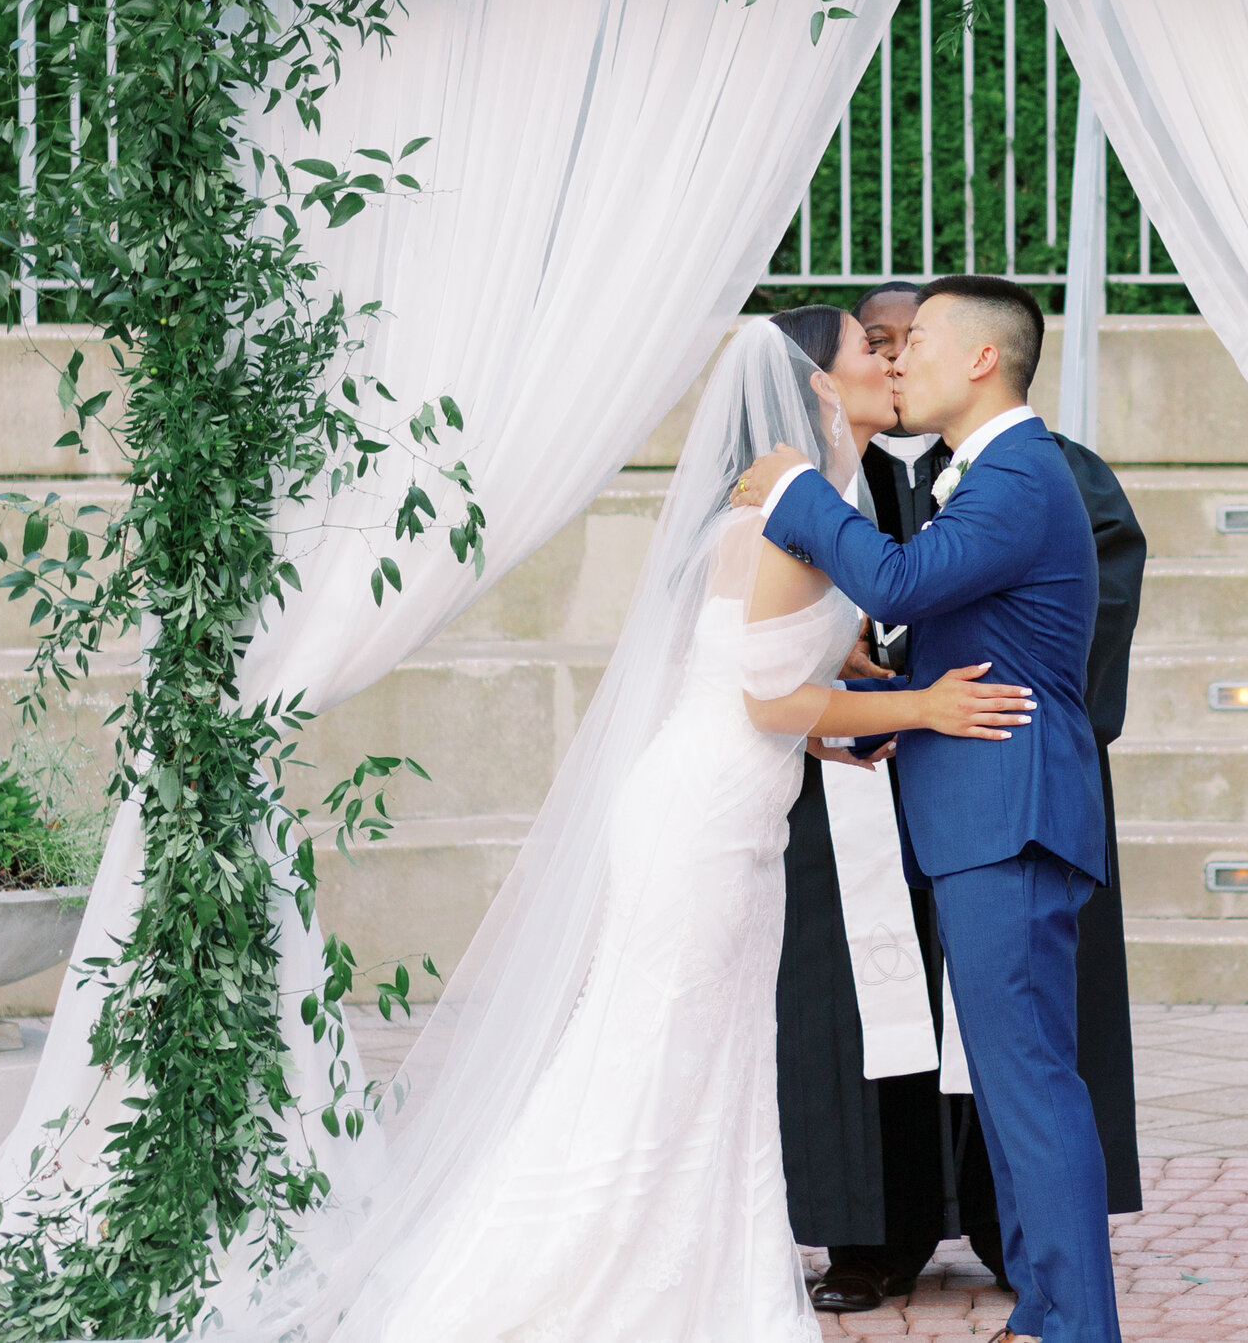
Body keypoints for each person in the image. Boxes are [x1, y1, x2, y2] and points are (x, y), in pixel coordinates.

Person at [225, 308, 1033, 1343]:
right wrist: (920, 708)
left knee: (714, 1057)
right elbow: (768, 702)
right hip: (698, 822)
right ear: (821, 391)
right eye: (865, 352)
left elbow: (773, 674)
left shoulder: (806, 510)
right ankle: (553, 1286)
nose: (888, 361)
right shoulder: (781, 522)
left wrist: (850, 701)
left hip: (738, 821)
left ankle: (698, 1288)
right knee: (653, 1055)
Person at [736, 274, 1119, 1343]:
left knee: (1030, 1085)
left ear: (983, 360)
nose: (898, 360)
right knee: (1008, 1087)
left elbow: (905, 583)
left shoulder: (1018, 476)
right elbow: (949, 627)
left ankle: (1075, 1328)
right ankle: (1043, 1306)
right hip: (981, 810)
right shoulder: (993, 475)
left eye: (921, 343)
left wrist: (791, 495)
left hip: (1011, 811)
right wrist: (880, 689)